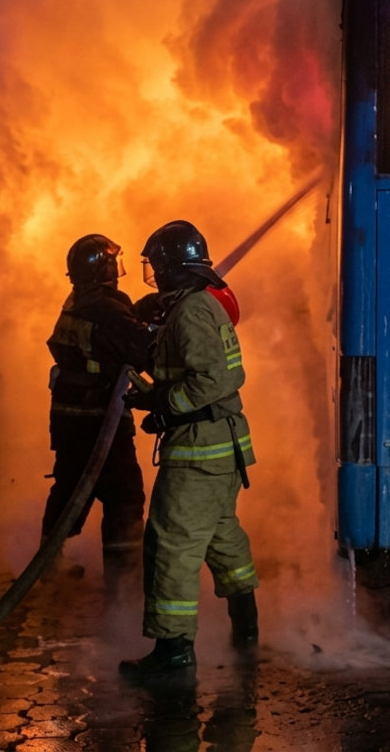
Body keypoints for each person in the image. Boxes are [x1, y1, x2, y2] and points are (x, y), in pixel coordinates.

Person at [119, 220, 259, 680]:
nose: (154, 277)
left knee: (170, 544)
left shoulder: (192, 313)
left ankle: (173, 653)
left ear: (176, 269)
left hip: (198, 451)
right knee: (221, 538)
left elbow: (215, 379)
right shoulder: (195, 307)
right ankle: (247, 631)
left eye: (157, 268)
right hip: (218, 447)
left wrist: (161, 404)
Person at [43, 234, 154, 590]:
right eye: (112, 265)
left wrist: (139, 312)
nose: (117, 272)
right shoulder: (106, 310)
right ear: (102, 270)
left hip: (70, 417)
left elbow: (111, 331)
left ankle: (48, 563)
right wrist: (157, 328)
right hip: (99, 418)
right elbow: (143, 351)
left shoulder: (78, 300)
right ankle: (123, 581)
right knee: (124, 495)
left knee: (70, 488)